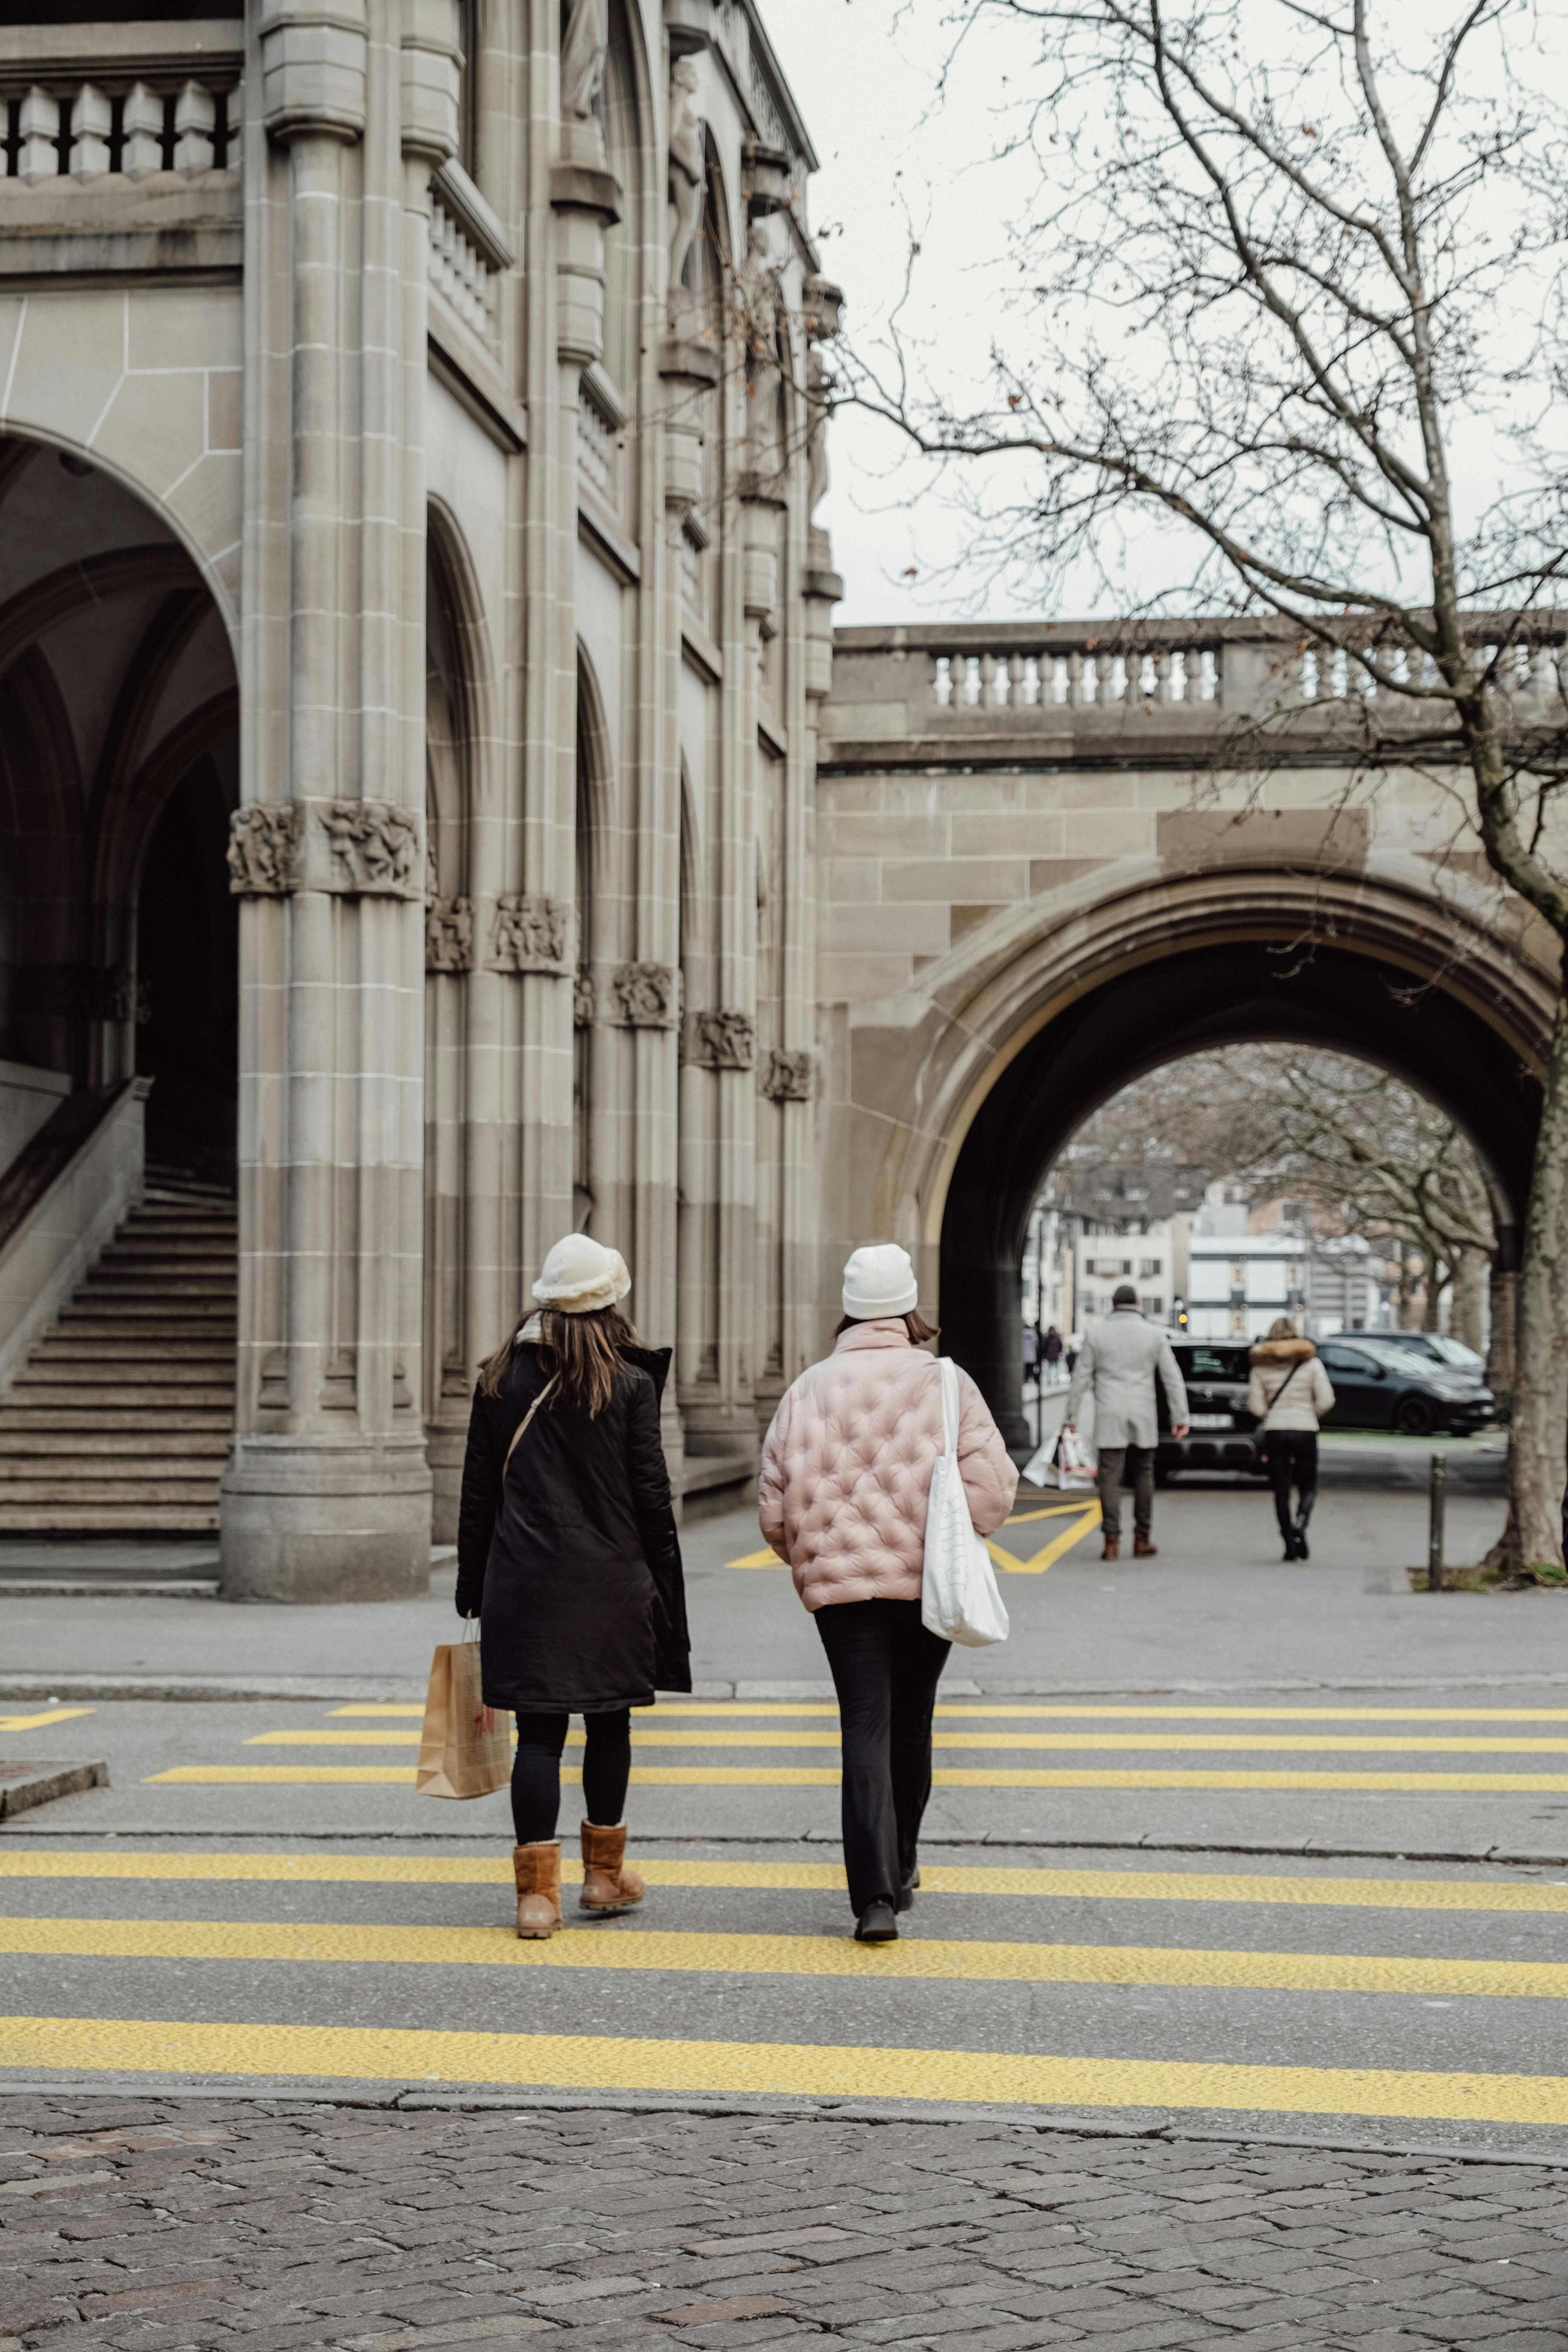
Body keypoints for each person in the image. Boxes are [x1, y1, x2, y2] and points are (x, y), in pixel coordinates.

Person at [758, 1243, 1018, 1945]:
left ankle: (871, 1897)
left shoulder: (807, 1388)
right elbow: (992, 1495)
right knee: (913, 1721)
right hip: (924, 1583)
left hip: (838, 1591)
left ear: (848, 1308)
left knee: (862, 1724)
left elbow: (774, 1512)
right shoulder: (946, 1383)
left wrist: (813, 1557)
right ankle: (902, 1867)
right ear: (908, 1307)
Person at [456, 1233, 689, 1940]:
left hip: (522, 1582)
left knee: (538, 1736)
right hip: (611, 1582)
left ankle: (537, 1899)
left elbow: (476, 1495)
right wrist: (668, 1590)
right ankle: (603, 1876)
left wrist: (473, 1584)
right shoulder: (629, 1384)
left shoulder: (499, 1379)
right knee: (609, 1722)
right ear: (610, 1304)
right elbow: (653, 1499)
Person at [1063, 1282, 1189, 1560]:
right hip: (1143, 1412)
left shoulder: (1096, 1334)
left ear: (1114, 1303)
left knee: (1110, 1476)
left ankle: (1111, 1542)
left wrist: (1071, 1417)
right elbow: (1172, 1378)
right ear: (1138, 1303)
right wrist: (1180, 1417)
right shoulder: (1155, 1335)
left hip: (1109, 1411)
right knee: (1144, 1473)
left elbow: (1081, 1378)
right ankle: (1142, 1539)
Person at [1247, 1316, 1335, 1560]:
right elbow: (1327, 1400)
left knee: (1281, 1489)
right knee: (1308, 1485)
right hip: (1306, 1429)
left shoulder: (1260, 1367)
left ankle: (1288, 1542)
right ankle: (1301, 1524)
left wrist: (1271, 1415)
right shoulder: (1311, 1363)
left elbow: (1255, 1406)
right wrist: (1310, 1414)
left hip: (1276, 1431)